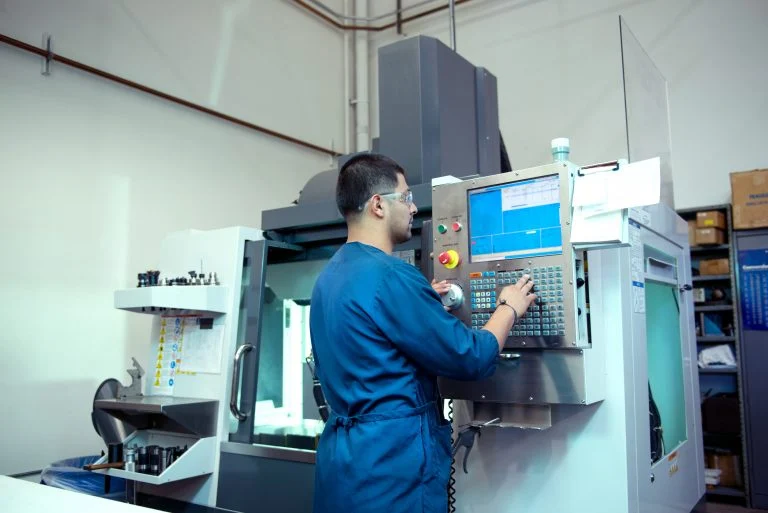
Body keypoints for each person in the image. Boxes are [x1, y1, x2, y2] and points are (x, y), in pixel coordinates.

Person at [309, 153, 537, 513]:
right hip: (392, 466)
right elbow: (471, 356)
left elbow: (370, 337)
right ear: (378, 205)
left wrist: (418, 302)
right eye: (407, 198)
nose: (413, 208)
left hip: (346, 462)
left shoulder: (330, 277)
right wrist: (508, 307)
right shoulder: (391, 277)